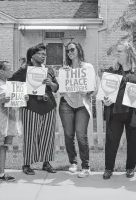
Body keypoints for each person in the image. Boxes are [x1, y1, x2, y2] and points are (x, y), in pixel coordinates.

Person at [102, 41, 136, 180]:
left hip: (134, 112)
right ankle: (108, 168)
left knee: (133, 141)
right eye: (117, 51)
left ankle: (130, 168)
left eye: (120, 51)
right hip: (115, 111)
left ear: (129, 53)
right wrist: (105, 100)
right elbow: (105, 92)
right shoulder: (111, 70)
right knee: (111, 141)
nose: (117, 54)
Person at [9, 43, 58, 175]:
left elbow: (56, 88)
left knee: (48, 136)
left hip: (49, 107)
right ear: (32, 56)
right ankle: (26, 164)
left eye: (44, 54)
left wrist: (51, 83)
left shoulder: (49, 71)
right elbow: (12, 84)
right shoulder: (24, 71)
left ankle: (46, 163)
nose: (43, 56)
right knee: (30, 136)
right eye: (40, 54)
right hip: (30, 107)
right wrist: (22, 93)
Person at [58, 42, 95, 178]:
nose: (70, 52)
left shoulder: (88, 67)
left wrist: (85, 90)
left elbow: (92, 88)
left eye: (72, 49)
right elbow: (61, 91)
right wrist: (63, 80)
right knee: (68, 135)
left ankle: (85, 166)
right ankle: (73, 162)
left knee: (81, 135)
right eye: (68, 51)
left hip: (82, 105)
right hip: (67, 103)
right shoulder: (65, 69)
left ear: (79, 50)